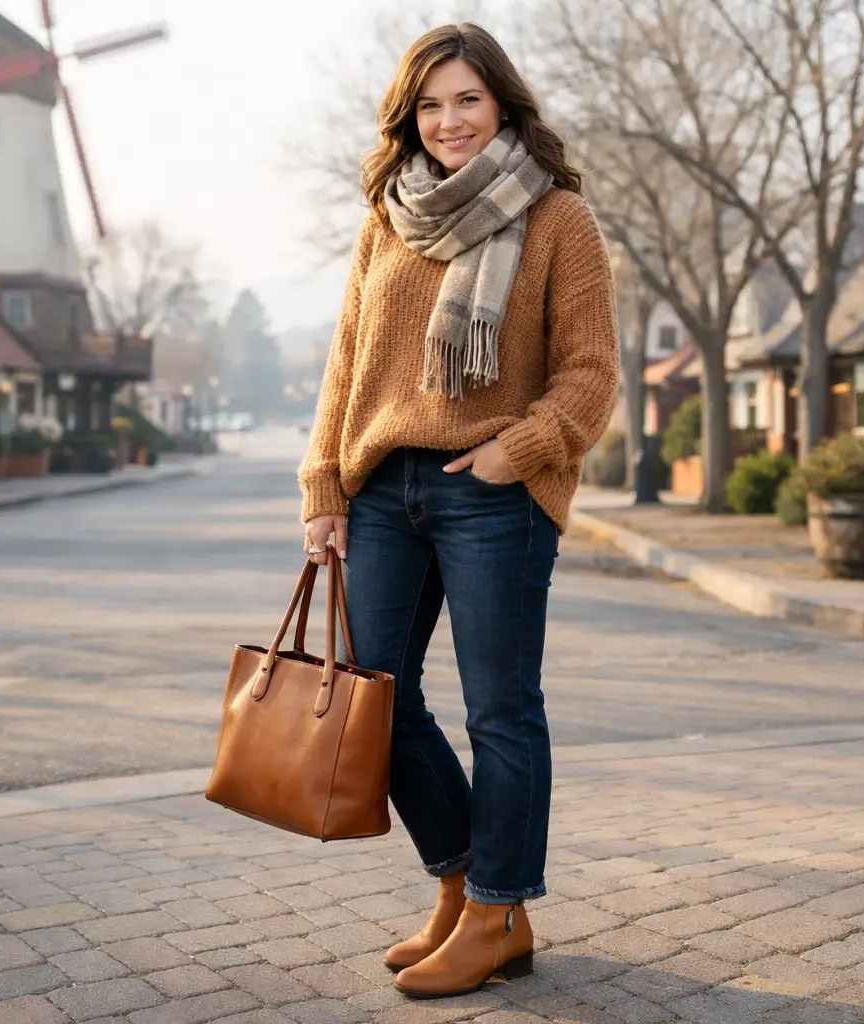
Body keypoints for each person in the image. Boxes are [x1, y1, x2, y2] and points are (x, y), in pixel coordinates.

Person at [298, 22, 619, 1000]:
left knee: (501, 710)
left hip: (494, 491)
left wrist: (517, 451)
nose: (450, 121)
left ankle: (498, 910)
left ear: (502, 104)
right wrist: (324, 486)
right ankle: (463, 885)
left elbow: (591, 373)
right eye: (431, 105)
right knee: (377, 700)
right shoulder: (386, 221)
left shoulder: (558, 218)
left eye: (468, 100)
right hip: (382, 488)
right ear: (411, 118)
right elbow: (347, 364)